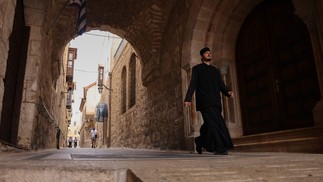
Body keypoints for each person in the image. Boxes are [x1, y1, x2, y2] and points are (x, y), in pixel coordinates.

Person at [184, 47, 234, 155]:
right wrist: (188, 99)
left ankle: (199, 141)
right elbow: (193, 84)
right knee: (216, 124)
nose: (208, 54)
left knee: (209, 125)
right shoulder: (197, 69)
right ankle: (220, 148)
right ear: (202, 56)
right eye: (206, 53)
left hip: (216, 102)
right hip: (205, 102)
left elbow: (221, 84)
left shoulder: (215, 70)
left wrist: (228, 91)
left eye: (209, 52)